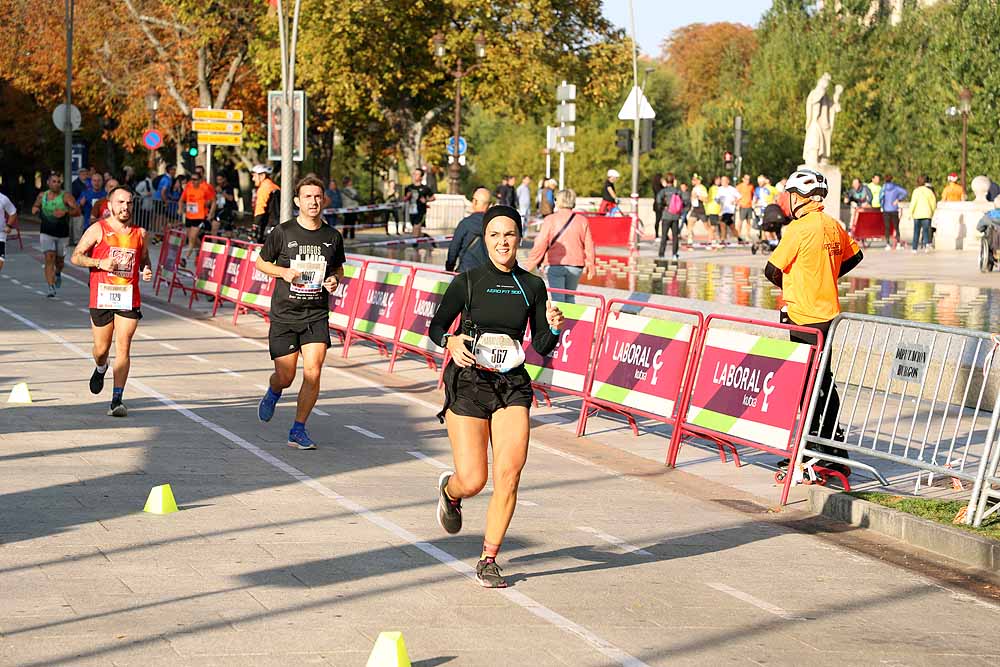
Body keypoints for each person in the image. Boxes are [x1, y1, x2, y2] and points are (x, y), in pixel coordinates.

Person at [428, 205, 565, 588]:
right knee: (473, 479)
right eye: (494, 235)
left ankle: (489, 558)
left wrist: (554, 329)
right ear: (485, 239)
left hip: (512, 386)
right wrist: (450, 340)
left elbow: (540, 344)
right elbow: (436, 325)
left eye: (509, 235)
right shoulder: (468, 281)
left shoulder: (532, 285)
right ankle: (450, 492)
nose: (502, 242)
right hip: (469, 382)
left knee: (509, 474)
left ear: (518, 238)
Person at [764, 169, 863, 476]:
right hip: (828, 314)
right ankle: (832, 449)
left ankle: (817, 451)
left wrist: (797, 285)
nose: (787, 201)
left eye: (790, 196)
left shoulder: (799, 228)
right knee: (824, 381)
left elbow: (772, 269)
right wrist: (825, 276)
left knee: (810, 386)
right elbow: (855, 257)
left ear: (799, 198)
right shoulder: (832, 225)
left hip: (803, 316)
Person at [255, 175, 346, 450]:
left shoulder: (332, 236)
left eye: (317, 196)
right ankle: (274, 391)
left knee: (313, 372)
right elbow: (260, 263)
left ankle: (298, 429)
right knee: (286, 376)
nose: (313, 201)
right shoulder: (283, 233)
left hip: (315, 314)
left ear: (324, 200)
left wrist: (335, 280)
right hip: (285, 314)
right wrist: (282, 271)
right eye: (308, 196)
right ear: (297, 201)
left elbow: (338, 268)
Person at [71, 186, 152, 417]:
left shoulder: (140, 233)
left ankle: (117, 399)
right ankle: (100, 367)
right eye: (120, 202)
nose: (125, 207)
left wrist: (146, 270)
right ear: (110, 205)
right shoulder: (98, 229)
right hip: (102, 295)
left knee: (123, 345)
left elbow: (145, 259)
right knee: (101, 349)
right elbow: (76, 256)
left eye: (129, 203)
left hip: (128, 296)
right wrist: (99, 263)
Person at [523, 189, 594, 303]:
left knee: (558, 299)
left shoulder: (550, 219)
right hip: (576, 265)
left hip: (555, 264)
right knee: (570, 297)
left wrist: (530, 264)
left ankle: (561, 321)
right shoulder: (582, 220)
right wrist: (591, 264)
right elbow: (589, 245)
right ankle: (571, 320)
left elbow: (541, 243)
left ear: (559, 201)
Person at [32, 172, 80, 297]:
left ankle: (58, 273)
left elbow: (77, 211)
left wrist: (65, 212)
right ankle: (50, 286)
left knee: (59, 261)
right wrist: (36, 210)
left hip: (62, 234)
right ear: (48, 183)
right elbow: (35, 206)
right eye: (54, 181)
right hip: (46, 232)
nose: (56, 184)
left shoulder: (66, 196)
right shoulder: (42, 195)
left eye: (58, 182)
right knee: (49, 258)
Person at [446, 187, 491, 274]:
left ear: (474, 202)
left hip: (465, 273)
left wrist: (449, 268)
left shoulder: (465, 224)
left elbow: (453, 249)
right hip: (487, 275)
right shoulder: (494, 226)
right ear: (489, 205)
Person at [656, 174, 686, 260]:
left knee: (664, 236)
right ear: (674, 181)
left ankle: (662, 254)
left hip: (666, 215)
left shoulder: (663, 191)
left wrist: (662, 207)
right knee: (675, 236)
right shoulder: (677, 191)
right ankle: (674, 254)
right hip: (675, 216)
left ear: (666, 181)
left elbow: (658, 201)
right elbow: (683, 202)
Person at [404, 168, 435, 242]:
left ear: (421, 177)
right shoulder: (409, 187)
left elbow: (433, 197)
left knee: (415, 229)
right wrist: (408, 196)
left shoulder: (425, 188)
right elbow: (404, 199)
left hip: (421, 211)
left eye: (417, 174)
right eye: (414, 174)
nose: (415, 176)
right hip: (412, 211)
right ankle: (426, 236)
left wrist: (426, 200)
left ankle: (415, 248)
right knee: (416, 232)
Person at [252, 164, 281, 242]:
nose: (253, 179)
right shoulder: (274, 186)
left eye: (254, 176)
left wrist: (255, 225)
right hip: (277, 224)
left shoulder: (265, 188)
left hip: (269, 225)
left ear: (262, 176)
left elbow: (260, 208)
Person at [880, 174, 908, 250]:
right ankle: (898, 243)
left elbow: (881, 197)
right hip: (894, 209)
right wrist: (898, 199)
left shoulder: (883, 188)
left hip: (886, 209)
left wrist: (882, 205)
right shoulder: (896, 187)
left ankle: (888, 244)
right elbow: (905, 192)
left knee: (887, 227)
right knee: (896, 227)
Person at [909, 175, 937, 253]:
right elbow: (933, 203)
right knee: (926, 231)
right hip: (927, 214)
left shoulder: (916, 191)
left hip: (917, 214)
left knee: (916, 231)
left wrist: (910, 213)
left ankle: (914, 248)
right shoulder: (929, 191)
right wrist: (932, 211)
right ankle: (926, 246)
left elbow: (913, 203)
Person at [714, 175, 740, 244]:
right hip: (723, 210)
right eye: (722, 180)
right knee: (731, 225)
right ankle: (738, 237)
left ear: (728, 181)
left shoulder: (732, 189)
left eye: (725, 180)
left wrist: (735, 201)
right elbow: (717, 199)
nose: (723, 182)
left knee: (722, 223)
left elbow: (739, 197)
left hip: (730, 209)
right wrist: (717, 200)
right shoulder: (719, 189)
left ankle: (723, 239)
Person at [70, 167, 90, 243]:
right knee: (78, 228)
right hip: (79, 210)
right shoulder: (75, 184)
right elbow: (72, 198)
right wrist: (78, 204)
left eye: (85, 173)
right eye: (82, 173)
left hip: (88, 210)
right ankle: (77, 244)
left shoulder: (90, 183)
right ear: (79, 174)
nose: (84, 174)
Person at [688, 174, 708, 243]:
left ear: (698, 181)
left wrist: (698, 197)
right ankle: (690, 239)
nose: (692, 181)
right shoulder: (694, 188)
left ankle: (713, 239)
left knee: (706, 226)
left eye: (694, 180)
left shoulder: (702, 188)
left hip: (701, 208)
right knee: (690, 223)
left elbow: (706, 199)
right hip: (695, 209)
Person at [0, 188, 17, 272]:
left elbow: (13, 212)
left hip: (0, 234)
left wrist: (9, 226)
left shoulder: (3, 199)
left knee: (0, 259)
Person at [736, 174, 755, 242]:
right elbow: (736, 196)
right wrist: (738, 204)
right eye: (746, 179)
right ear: (743, 179)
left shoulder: (751, 186)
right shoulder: (739, 186)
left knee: (748, 222)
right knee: (740, 221)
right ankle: (738, 235)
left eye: (749, 179)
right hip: (742, 206)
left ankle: (748, 235)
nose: (748, 180)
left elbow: (753, 195)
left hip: (749, 206)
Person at [340, 176, 359, 240]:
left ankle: (348, 236)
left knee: (349, 223)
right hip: (350, 208)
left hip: (350, 209)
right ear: (348, 182)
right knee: (350, 223)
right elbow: (355, 197)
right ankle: (349, 236)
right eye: (350, 181)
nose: (351, 182)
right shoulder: (348, 190)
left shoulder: (344, 190)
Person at [705, 176, 722, 245]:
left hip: (715, 209)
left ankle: (714, 239)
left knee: (715, 226)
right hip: (714, 209)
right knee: (713, 226)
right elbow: (716, 199)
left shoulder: (714, 188)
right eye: (718, 180)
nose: (719, 181)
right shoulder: (714, 188)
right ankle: (710, 240)